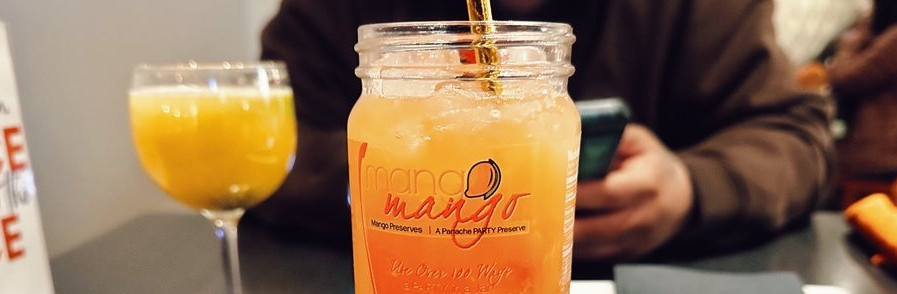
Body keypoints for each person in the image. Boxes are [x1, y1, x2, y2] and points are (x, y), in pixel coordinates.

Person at [249, 0, 835, 262]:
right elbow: (265, 143)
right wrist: (402, 189)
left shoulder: (701, 11)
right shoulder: (335, 12)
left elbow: (797, 134)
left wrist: (691, 188)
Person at [825, 0, 897, 179]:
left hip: (881, 152)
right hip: (893, 148)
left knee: (811, 154)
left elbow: (843, 78)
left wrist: (851, 42)